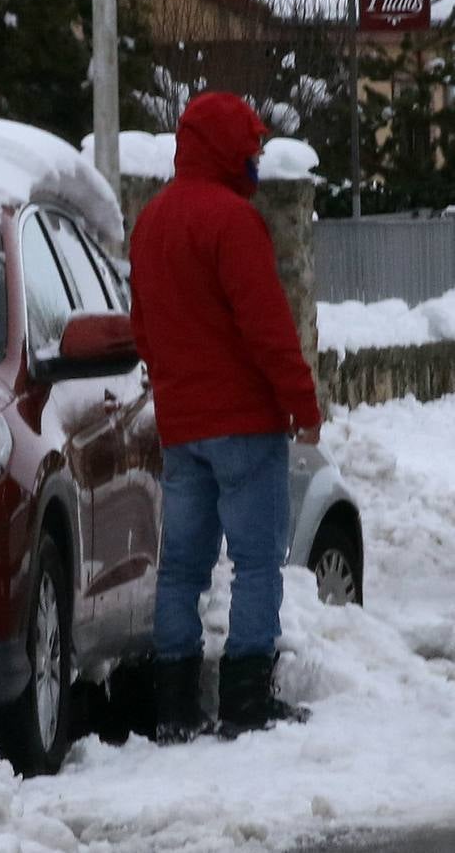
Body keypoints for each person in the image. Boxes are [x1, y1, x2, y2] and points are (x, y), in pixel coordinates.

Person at [128, 92, 321, 744]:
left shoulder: (151, 221)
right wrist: (302, 401)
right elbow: (267, 325)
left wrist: (172, 390)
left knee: (181, 566)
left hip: (183, 427)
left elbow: (145, 328)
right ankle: (245, 699)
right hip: (245, 423)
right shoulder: (234, 222)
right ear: (229, 148)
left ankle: (174, 704)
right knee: (257, 561)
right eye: (252, 145)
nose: (257, 157)